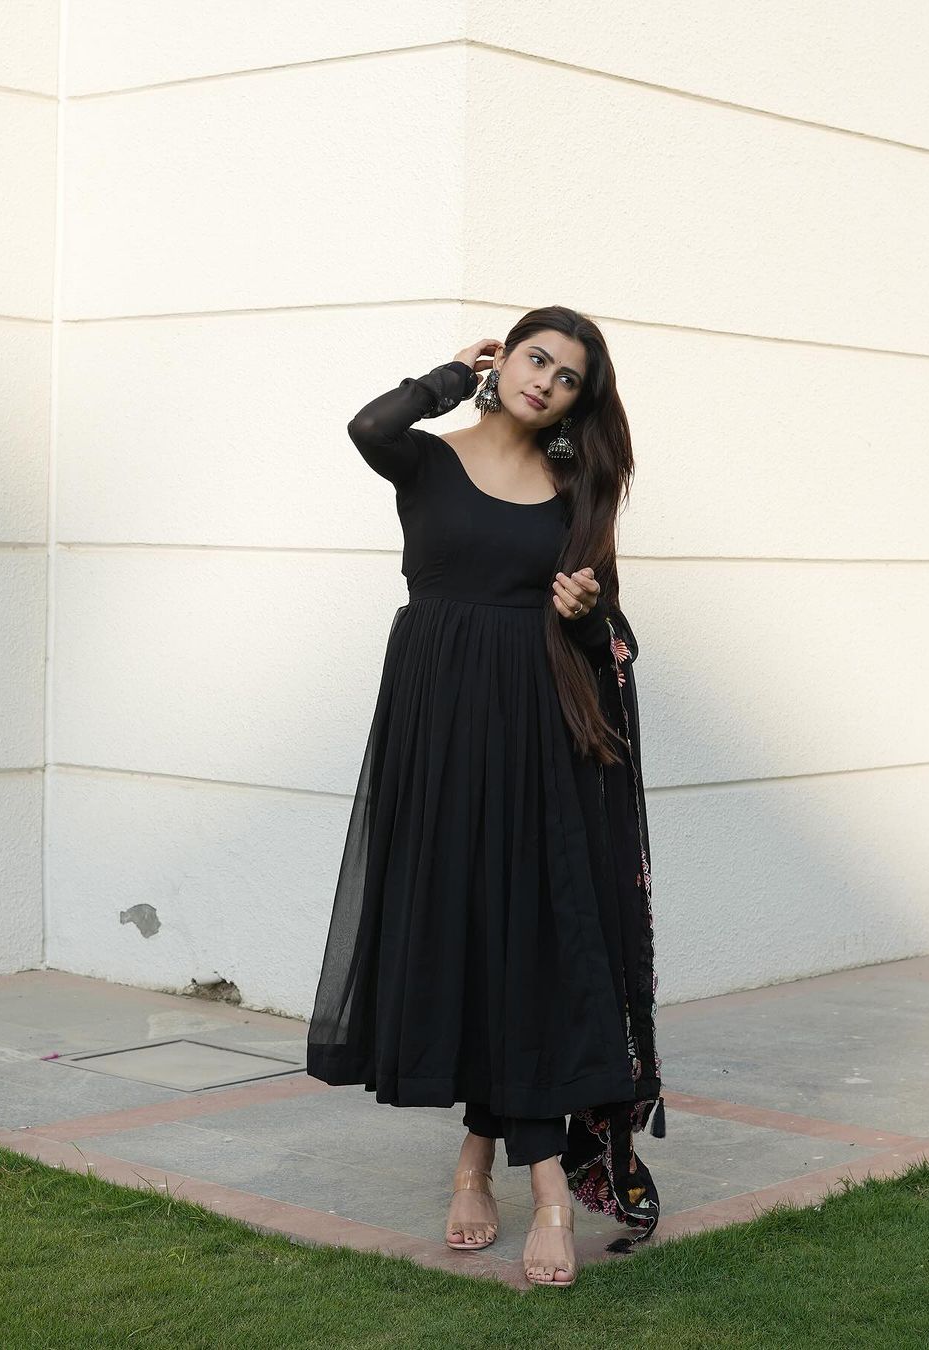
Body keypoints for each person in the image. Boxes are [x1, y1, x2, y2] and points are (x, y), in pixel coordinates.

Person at [306, 306, 665, 1288]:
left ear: (578, 402)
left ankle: (536, 1186)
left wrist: (584, 617)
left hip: (538, 737)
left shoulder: (575, 491)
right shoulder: (425, 459)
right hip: (435, 728)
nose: (546, 380)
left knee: (529, 943)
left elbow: (613, 640)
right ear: (502, 361)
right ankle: (482, 1163)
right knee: (465, 933)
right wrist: (444, 378)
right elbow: (368, 427)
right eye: (535, 358)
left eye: (568, 377)